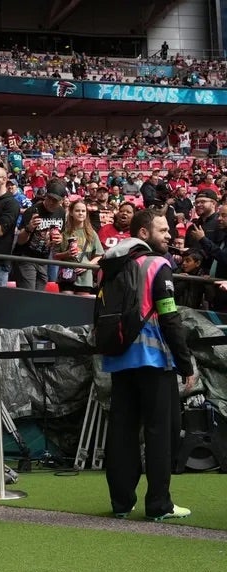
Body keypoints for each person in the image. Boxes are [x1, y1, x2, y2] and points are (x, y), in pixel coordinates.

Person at [100, 209, 193, 521]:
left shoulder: (110, 266)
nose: (170, 235)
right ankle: (159, 504)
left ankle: (121, 503)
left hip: (118, 358)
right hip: (154, 360)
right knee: (161, 431)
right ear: (143, 233)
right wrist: (185, 363)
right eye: (163, 229)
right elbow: (169, 316)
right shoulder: (158, 265)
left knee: (122, 431)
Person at [54, 200, 104, 295]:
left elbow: (99, 255)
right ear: (71, 213)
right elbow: (55, 256)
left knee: (82, 305)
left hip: (85, 275)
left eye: (83, 211)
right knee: (66, 302)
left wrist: (87, 266)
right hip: (66, 274)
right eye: (77, 211)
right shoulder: (63, 232)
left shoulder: (91, 233)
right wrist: (66, 254)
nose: (81, 213)